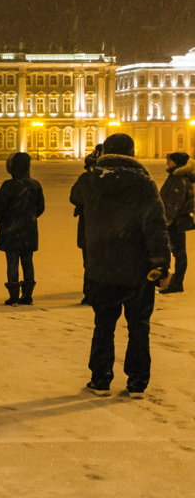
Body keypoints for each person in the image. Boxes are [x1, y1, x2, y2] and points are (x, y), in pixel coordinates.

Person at [69, 133, 171, 398]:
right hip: (137, 267)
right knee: (139, 326)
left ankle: (100, 379)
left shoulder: (90, 179)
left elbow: (74, 196)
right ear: (132, 152)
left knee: (103, 324)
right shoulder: (144, 182)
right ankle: (137, 381)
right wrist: (161, 262)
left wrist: (93, 165)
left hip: (101, 266)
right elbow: (155, 226)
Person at [0, 152, 45, 306]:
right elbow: (40, 207)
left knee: (12, 262)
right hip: (29, 229)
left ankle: (13, 295)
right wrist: (28, 217)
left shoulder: (9, 185)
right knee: (28, 262)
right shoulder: (35, 184)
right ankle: (28, 295)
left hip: (10, 230)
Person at [73, 144, 104, 305]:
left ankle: (90, 293)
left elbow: (74, 196)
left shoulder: (86, 179)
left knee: (90, 261)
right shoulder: (115, 178)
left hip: (89, 226)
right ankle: (102, 292)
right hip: (108, 229)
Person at [159, 152, 193, 294]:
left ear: (175, 162)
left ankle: (177, 283)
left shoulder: (178, 178)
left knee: (178, 253)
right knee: (179, 252)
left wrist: (166, 221)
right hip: (177, 220)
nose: (167, 162)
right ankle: (175, 281)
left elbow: (174, 203)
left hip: (175, 221)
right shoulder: (180, 177)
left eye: (169, 160)